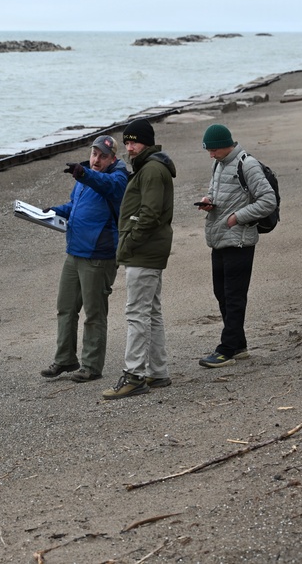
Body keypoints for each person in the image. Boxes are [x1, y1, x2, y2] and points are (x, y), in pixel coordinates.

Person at [39, 135, 129, 382]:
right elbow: (75, 206)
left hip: (99, 256)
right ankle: (65, 359)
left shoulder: (118, 177)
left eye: (102, 156)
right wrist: (53, 211)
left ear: (113, 158)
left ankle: (91, 366)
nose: (96, 160)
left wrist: (84, 173)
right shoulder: (86, 175)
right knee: (66, 308)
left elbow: (106, 185)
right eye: (94, 154)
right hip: (75, 252)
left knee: (94, 313)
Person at [101, 118, 176, 400]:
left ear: (147, 142)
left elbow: (150, 213)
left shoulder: (152, 169)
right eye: (127, 143)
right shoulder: (149, 167)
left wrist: (130, 241)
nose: (130, 148)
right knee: (151, 311)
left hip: (144, 251)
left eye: (134, 142)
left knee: (136, 313)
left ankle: (134, 375)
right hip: (148, 250)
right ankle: (158, 371)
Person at [195, 124, 277, 368]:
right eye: (208, 151)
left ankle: (227, 349)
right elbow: (218, 194)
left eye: (213, 150)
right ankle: (239, 345)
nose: (210, 154)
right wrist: (209, 202)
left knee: (234, 297)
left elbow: (268, 200)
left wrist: (238, 217)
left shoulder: (247, 164)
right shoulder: (218, 164)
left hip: (240, 240)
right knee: (221, 293)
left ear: (225, 145)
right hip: (219, 238)